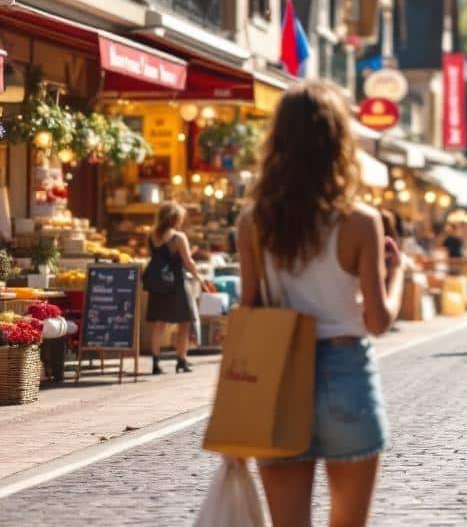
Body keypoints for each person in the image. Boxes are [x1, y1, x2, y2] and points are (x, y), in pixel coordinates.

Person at [238, 81, 403, 526]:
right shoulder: (360, 220)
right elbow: (377, 320)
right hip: (344, 369)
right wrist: (397, 271)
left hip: (276, 373)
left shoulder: (254, 220)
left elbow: (247, 311)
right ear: (338, 142)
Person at [146, 202, 203, 374]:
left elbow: (156, 257)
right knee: (184, 322)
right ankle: (181, 360)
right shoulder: (179, 237)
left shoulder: (151, 236)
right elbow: (187, 262)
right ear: (175, 218)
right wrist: (198, 276)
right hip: (177, 283)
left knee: (158, 323)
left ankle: (155, 362)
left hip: (158, 284)